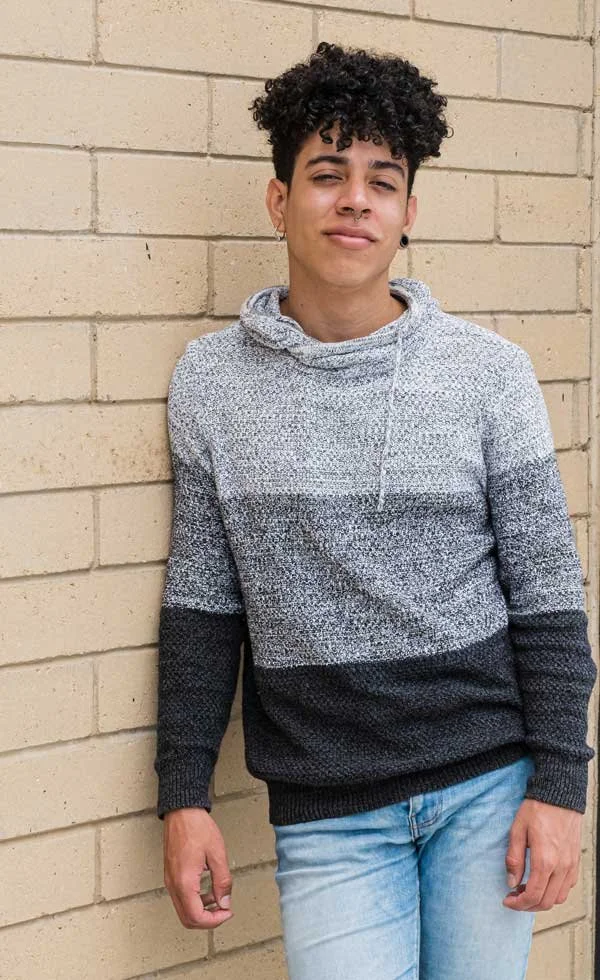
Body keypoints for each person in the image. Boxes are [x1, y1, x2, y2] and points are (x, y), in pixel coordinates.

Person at [154, 41, 597, 979]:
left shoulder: (488, 375)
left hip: (487, 786)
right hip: (329, 809)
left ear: (406, 214)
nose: (355, 199)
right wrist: (184, 794)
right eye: (328, 174)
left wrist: (561, 784)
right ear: (280, 200)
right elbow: (202, 606)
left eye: (381, 182)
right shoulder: (212, 383)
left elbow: (549, 597)